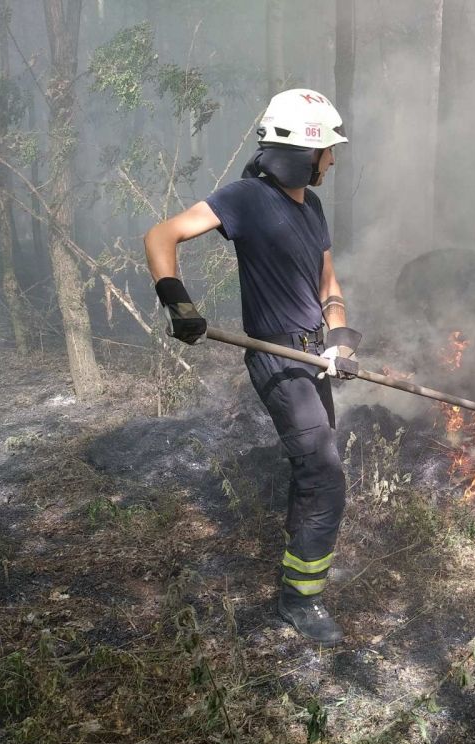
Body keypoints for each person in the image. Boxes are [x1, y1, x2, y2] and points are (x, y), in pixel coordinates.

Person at [144, 89, 358, 646]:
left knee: (314, 472)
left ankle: (300, 574)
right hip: (276, 359)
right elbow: (161, 236)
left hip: (313, 356)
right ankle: (299, 602)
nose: (332, 161)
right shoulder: (243, 199)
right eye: (327, 151)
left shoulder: (311, 208)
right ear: (301, 150)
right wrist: (178, 302)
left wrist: (339, 340)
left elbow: (328, 283)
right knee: (325, 478)